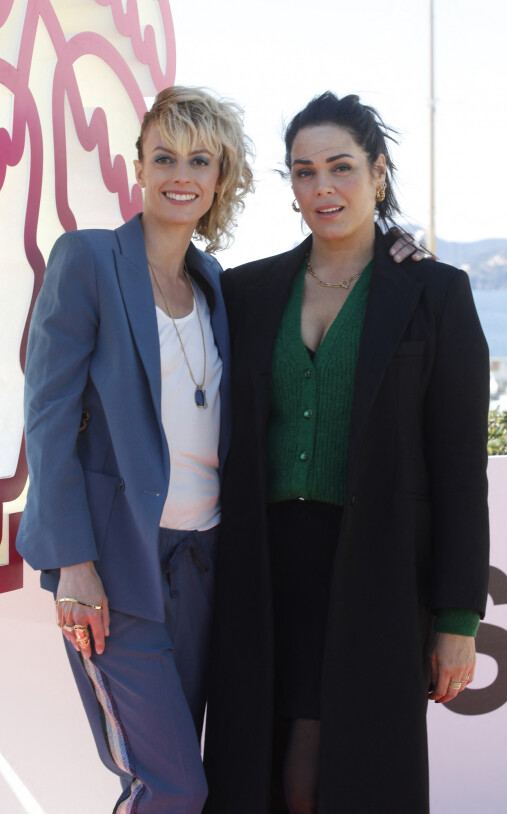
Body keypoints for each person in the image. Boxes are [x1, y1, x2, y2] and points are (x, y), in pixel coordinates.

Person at [203, 92, 490, 814]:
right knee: (263, 774)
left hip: (377, 571)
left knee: (341, 778)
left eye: (340, 167)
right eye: (303, 172)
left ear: (379, 173)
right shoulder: (246, 291)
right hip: (264, 569)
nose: (322, 188)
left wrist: (458, 619)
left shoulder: (435, 293)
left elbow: (461, 468)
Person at [16, 86, 253, 814]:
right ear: (138, 169)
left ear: (221, 179)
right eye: (164, 157)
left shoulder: (214, 284)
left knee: (173, 779)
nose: (180, 174)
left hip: (205, 564)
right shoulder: (88, 259)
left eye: (199, 159)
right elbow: (48, 412)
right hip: (117, 570)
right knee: (173, 785)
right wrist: (73, 563)